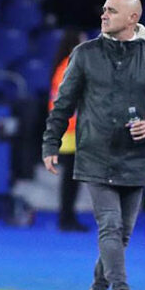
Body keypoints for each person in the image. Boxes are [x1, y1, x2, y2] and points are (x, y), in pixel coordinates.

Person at [42, 0, 145, 290]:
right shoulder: (85, 54)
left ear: (133, 18)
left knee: (123, 234)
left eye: (112, 11)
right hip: (95, 153)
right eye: (103, 9)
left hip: (134, 156)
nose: (103, 15)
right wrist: (51, 143)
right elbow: (63, 104)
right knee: (111, 226)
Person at [48, 29, 89, 232]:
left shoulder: (64, 64)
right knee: (71, 176)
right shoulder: (72, 65)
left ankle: (67, 216)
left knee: (72, 176)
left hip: (68, 127)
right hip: (72, 128)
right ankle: (66, 217)